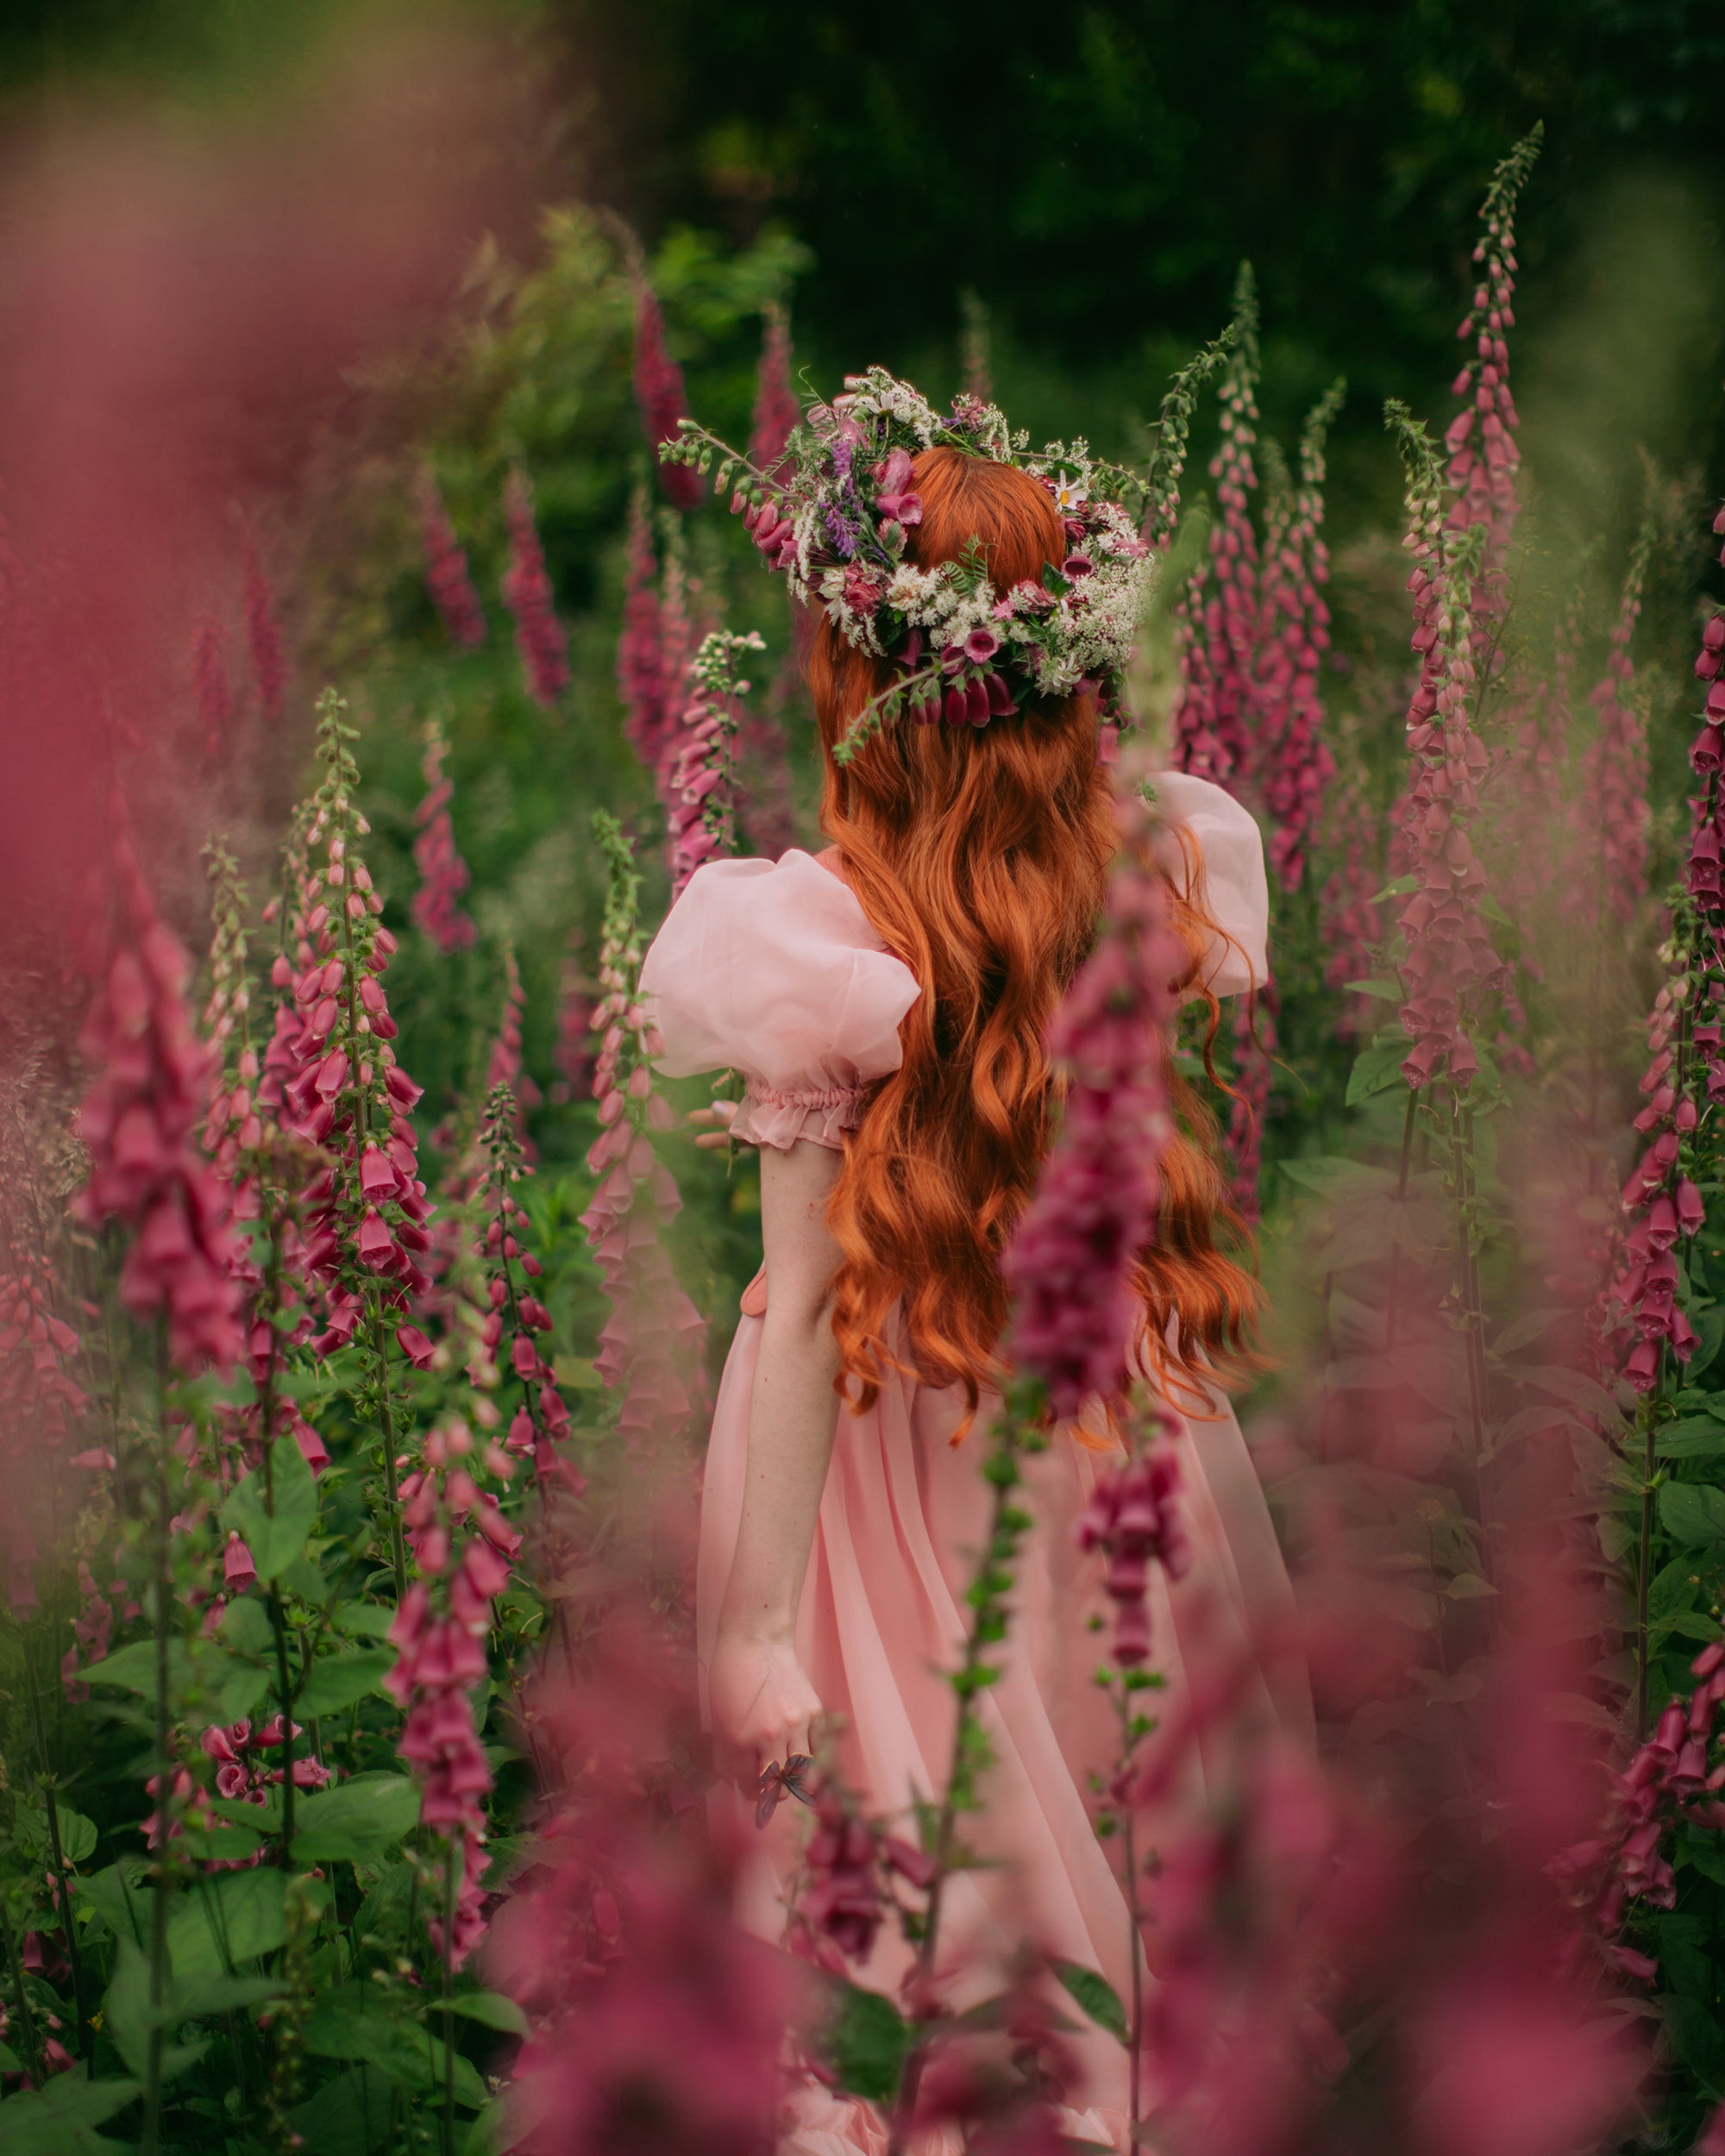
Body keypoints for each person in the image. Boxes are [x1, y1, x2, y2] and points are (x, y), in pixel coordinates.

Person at [640, 373, 1306, 2150]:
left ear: (864, 684)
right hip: (1118, 1439)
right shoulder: (1146, 863)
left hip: (864, 1469)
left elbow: (794, 1312)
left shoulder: (820, 935)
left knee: (917, 1938)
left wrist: (763, 1625)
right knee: (1114, 1887)